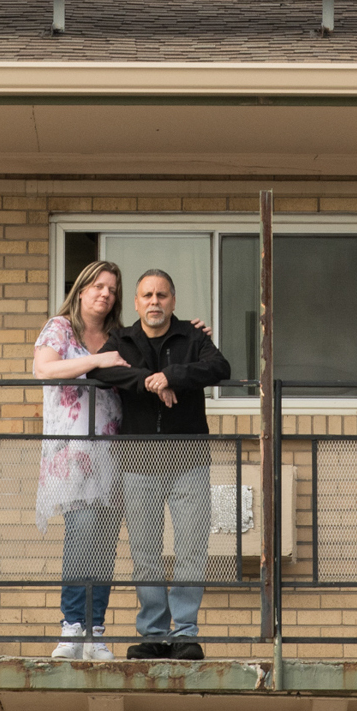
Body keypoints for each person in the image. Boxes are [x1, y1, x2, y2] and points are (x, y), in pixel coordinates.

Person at [89, 268, 231, 659]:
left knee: (190, 550)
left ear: (173, 301)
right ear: (135, 303)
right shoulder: (122, 338)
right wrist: (149, 381)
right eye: (147, 295)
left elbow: (221, 368)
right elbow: (100, 370)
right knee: (145, 553)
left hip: (189, 458)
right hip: (138, 461)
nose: (155, 301)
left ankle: (184, 634)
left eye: (162, 295)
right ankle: (153, 634)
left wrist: (172, 376)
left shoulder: (193, 336)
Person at [32, 258, 129, 659]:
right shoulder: (60, 327)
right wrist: (95, 362)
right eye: (98, 287)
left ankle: (96, 632)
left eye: (112, 289)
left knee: (104, 543)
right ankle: (72, 628)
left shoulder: (120, 336)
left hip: (112, 451)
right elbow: (44, 369)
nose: (105, 294)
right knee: (82, 534)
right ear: (82, 289)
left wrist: (193, 333)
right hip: (72, 451)